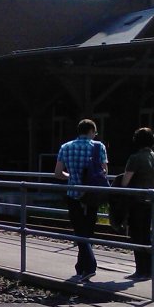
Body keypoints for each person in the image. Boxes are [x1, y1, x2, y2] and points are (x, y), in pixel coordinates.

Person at [55, 119, 107, 282]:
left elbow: (57, 173)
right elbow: (104, 171)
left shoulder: (66, 147)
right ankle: (87, 266)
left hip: (73, 193)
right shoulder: (99, 147)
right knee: (88, 231)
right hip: (92, 194)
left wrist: (71, 176)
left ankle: (83, 267)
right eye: (95, 132)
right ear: (91, 131)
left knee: (79, 230)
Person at [119, 127, 154, 280]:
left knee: (137, 235)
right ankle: (149, 270)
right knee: (147, 235)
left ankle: (140, 270)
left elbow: (125, 182)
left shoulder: (135, 158)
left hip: (136, 201)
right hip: (151, 200)